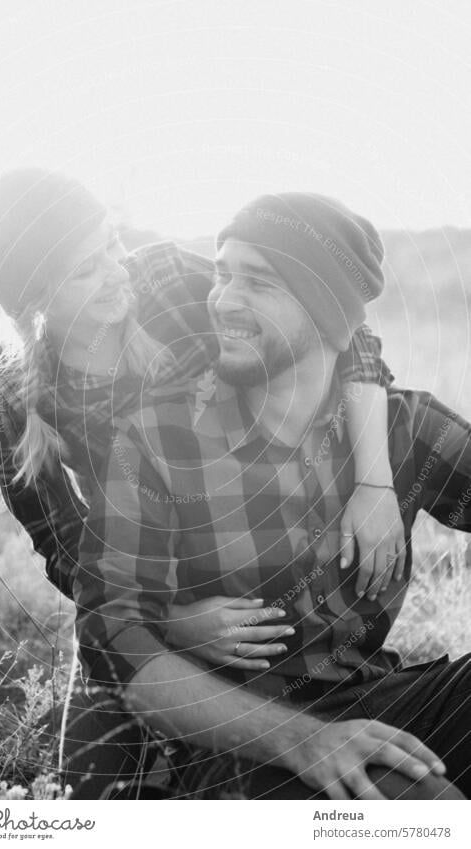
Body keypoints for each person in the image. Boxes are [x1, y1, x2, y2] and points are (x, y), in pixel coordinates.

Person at [0, 170, 399, 798]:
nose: (117, 270)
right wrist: (171, 622)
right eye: (87, 269)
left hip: (254, 551)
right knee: (91, 796)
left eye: (112, 243)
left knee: (298, 741)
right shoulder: (8, 388)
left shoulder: (167, 280)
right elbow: (59, 540)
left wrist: (375, 484)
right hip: (139, 585)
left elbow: (341, 329)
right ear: (36, 301)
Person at [74, 192, 471, 800]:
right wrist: (303, 740)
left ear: (326, 316)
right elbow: (112, 638)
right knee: (421, 811)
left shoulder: (402, 429)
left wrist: (376, 482)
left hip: (377, 698)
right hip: (235, 741)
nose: (224, 300)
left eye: (257, 283)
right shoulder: (160, 438)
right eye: (223, 274)